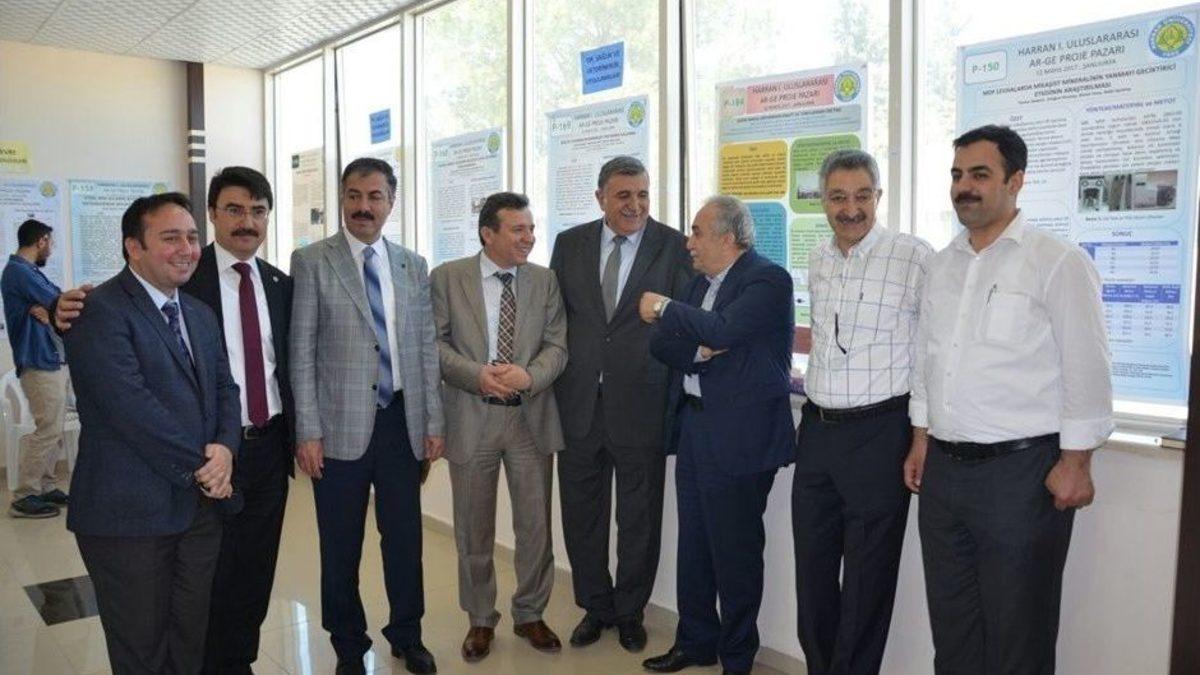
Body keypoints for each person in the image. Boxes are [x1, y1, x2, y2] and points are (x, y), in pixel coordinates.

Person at [54, 167, 294, 674]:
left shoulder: (198, 313)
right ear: (133, 247)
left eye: (189, 237)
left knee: (190, 638)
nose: (186, 249)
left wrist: (225, 448)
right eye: (170, 238)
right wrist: (211, 467)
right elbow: (132, 410)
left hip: (199, 511)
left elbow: (227, 389)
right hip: (131, 514)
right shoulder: (98, 311)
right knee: (142, 647)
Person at [903, 125, 1113, 674]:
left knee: (1019, 632)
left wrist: (1077, 463)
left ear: (1016, 181)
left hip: (1020, 477)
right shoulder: (941, 264)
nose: (964, 187)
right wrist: (921, 438)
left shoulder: (1057, 261)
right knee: (952, 628)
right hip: (945, 473)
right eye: (957, 175)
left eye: (980, 174)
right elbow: (928, 358)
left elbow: (1087, 367)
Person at [290, 157, 444, 675]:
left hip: (401, 423)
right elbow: (301, 352)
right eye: (354, 196)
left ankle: (407, 634)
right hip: (337, 430)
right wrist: (307, 430)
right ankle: (349, 647)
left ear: (390, 202)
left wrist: (433, 422)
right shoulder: (312, 261)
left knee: (404, 541)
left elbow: (424, 348)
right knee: (340, 547)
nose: (363, 206)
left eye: (374, 196)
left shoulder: (412, 265)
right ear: (342, 200)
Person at [639, 195, 795, 675]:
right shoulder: (699, 283)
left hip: (742, 438)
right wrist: (700, 351)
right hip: (696, 428)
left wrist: (664, 306)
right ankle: (696, 642)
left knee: (736, 553)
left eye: (697, 232)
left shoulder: (767, 279)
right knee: (694, 545)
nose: (689, 243)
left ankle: (737, 658)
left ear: (728, 238)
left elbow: (723, 329)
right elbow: (663, 343)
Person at [793, 149, 932, 675]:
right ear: (823, 202)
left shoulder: (914, 256)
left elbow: (928, 353)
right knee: (812, 569)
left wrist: (920, 436)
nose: (850, 209)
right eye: (838, 197)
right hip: (818, 431)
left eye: (862, 196)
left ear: (879, 196)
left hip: (880, 432)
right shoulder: (818, 258)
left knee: (868, 579)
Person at [549, 155, 691, 651]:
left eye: (643, 194)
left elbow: (684, 321)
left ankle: (630, 611)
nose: (635, 205)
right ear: (601, 198)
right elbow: (556, 319)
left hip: (643, 404)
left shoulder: (673, 246)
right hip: (579, 404)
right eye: (624, 195)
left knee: (639, 519)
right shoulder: (570, 244)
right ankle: (595, 606)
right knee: (581, 514)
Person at [430, 191, 568, 662]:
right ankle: (480, 618)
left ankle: (530, 612)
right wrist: (476, 374)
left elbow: (557, 345)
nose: (529, 238)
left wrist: (529, 376)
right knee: (473, 529)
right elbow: (435, 343)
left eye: (531, 229)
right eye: (518, 230)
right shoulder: (448, 277)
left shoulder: (545, 281)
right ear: (488, 233)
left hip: (529, 418)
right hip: (473, 415)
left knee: (535, 527)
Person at [2, 219, 69, 518]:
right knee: (48, 428)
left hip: (51, 359)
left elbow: (53, 302)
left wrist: (51, 310)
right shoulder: (18, 272)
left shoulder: (29, 272)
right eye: (50, 243)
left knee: (54, 428)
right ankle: (25, 495)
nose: (51, 249)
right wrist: (52, 309)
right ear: (41, 240)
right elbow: (58, 301)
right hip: (38, 361)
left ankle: (45, 485)